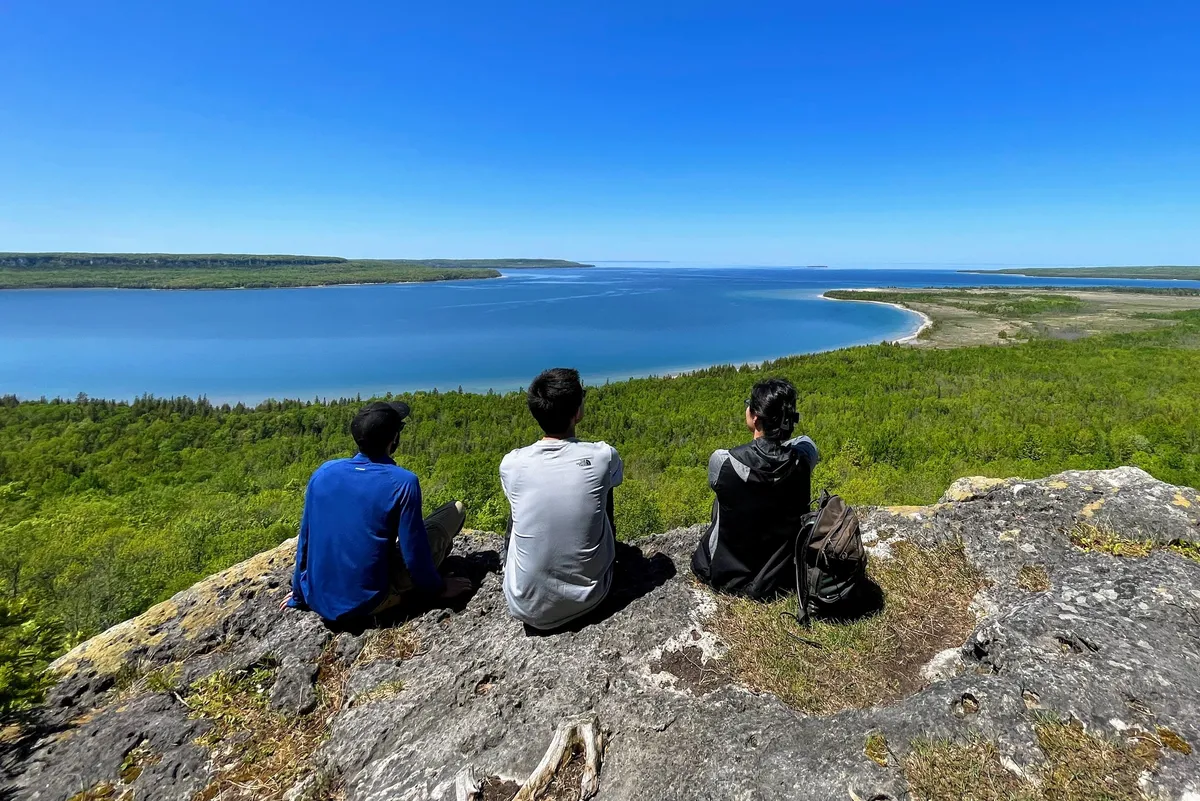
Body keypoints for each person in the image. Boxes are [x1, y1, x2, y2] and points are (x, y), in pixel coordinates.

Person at [281, 400, 472, 623]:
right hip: (370, 602)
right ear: (394, 439)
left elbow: (306, 540)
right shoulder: (402, 482)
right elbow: (414, 554)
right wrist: (438, 588)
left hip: (318, 597)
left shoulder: (323, 473)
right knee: (455, 511)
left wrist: (299, 593)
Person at [501, 368, 624, 631]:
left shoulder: (511, 463)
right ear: (577, 411)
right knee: (602, 488)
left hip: (524, 605)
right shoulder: (603, 456)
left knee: (523, 497)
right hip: (590, 597)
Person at [691, 377, 820, 600]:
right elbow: (803, 441)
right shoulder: (804, 459)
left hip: (727, 574)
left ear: (755, 417)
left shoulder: (723, 462)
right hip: (780, 576)